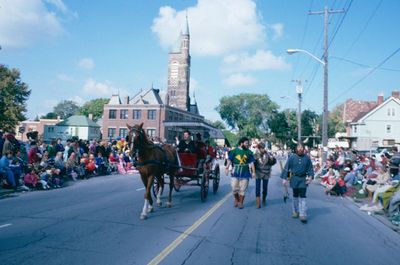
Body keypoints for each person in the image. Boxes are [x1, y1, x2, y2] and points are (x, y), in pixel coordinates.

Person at [280, 144, 314, 223]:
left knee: (303, 196)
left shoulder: (307, 158)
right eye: (298, 147)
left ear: (303, 149)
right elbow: (287, 168)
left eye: (301, 147)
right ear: (296, 149)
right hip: (294, 179)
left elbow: (310, 169)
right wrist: (285, 178)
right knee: (295, 195)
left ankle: (303, 214)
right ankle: (295, 211)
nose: (300, 149)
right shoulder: (292, 157)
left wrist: (310, 177)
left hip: (303, 179)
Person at [225, 137, 256, 209]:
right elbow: (229, 160)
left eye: (248, 144)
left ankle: (241, 202)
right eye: (246, 143)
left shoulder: (249, 152)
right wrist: (227, 168)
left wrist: (253, 172)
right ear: (241, 143)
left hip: (245, 173)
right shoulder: (234, 151)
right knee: (234, 188)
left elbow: (252, 163)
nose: (247, 145)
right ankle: (236, 199)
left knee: (243, 189)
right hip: (235, 172)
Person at [253, 142, 276, 208]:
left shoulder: (268, 154)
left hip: (266, 173)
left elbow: (273, 163)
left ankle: (264, 199)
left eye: (264, 148)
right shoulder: (255, 155)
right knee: (257, 187)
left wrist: (272, 159)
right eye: (262, 148)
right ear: (259, 149)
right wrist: (253, 172)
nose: (263, 149)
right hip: (258, 172)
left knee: (265, 188)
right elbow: (253, 164)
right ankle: (258, 202)